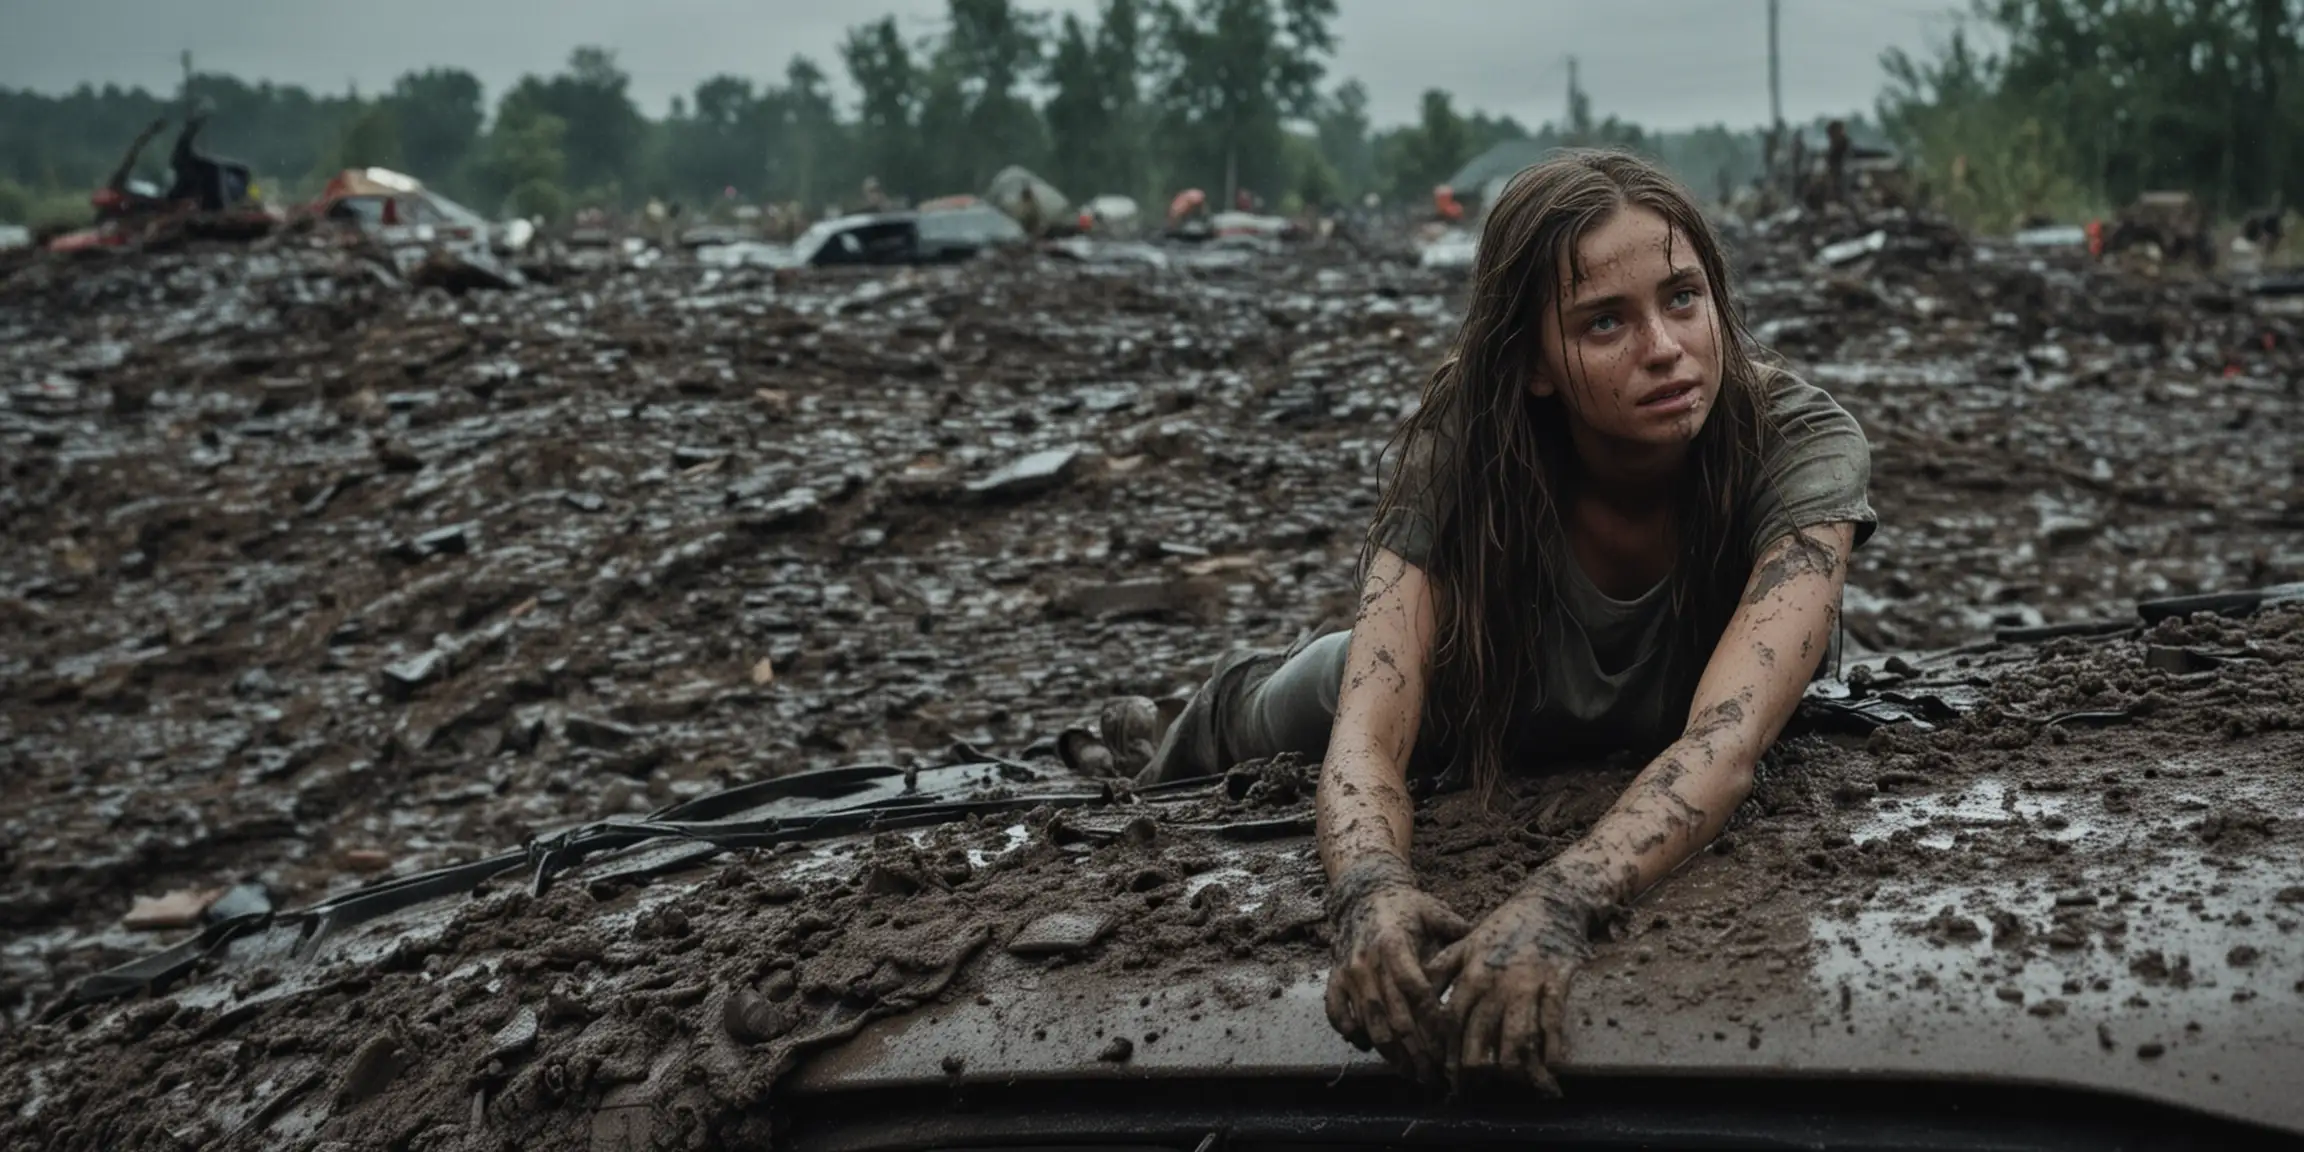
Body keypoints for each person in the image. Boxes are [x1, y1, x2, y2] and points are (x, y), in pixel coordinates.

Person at [1081, 150, 1874, 1087]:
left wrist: (1562, 902)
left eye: (1683, 298)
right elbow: (1370, 739)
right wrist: (1368, 894)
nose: (1663, 347)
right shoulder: (1468, 446)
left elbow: (1726, 744)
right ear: (1534, 363)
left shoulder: (1798, 439)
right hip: (1484, 689)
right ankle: (1154, 736)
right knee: (1281, 705)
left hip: (1699, 691)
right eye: (1605, 322)